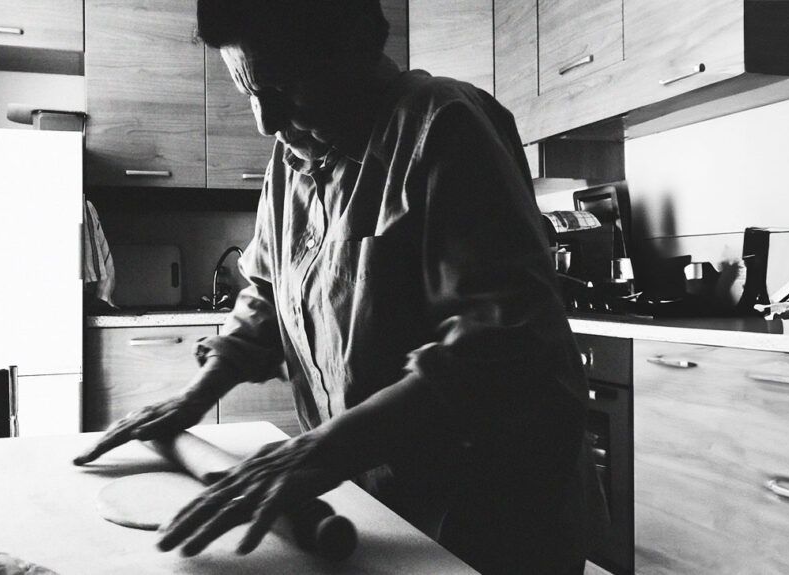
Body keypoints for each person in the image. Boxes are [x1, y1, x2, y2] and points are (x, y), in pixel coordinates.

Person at [75, 1, 608, 572]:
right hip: (383, 503)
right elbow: (266, 292)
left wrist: (315, 452)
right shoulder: (291, 160)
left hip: (490, 510)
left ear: (355, 43)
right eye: (249, 93)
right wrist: (197, 394)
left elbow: (496, 348)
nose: (265, 121)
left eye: (281, 86)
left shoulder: (443, 124)